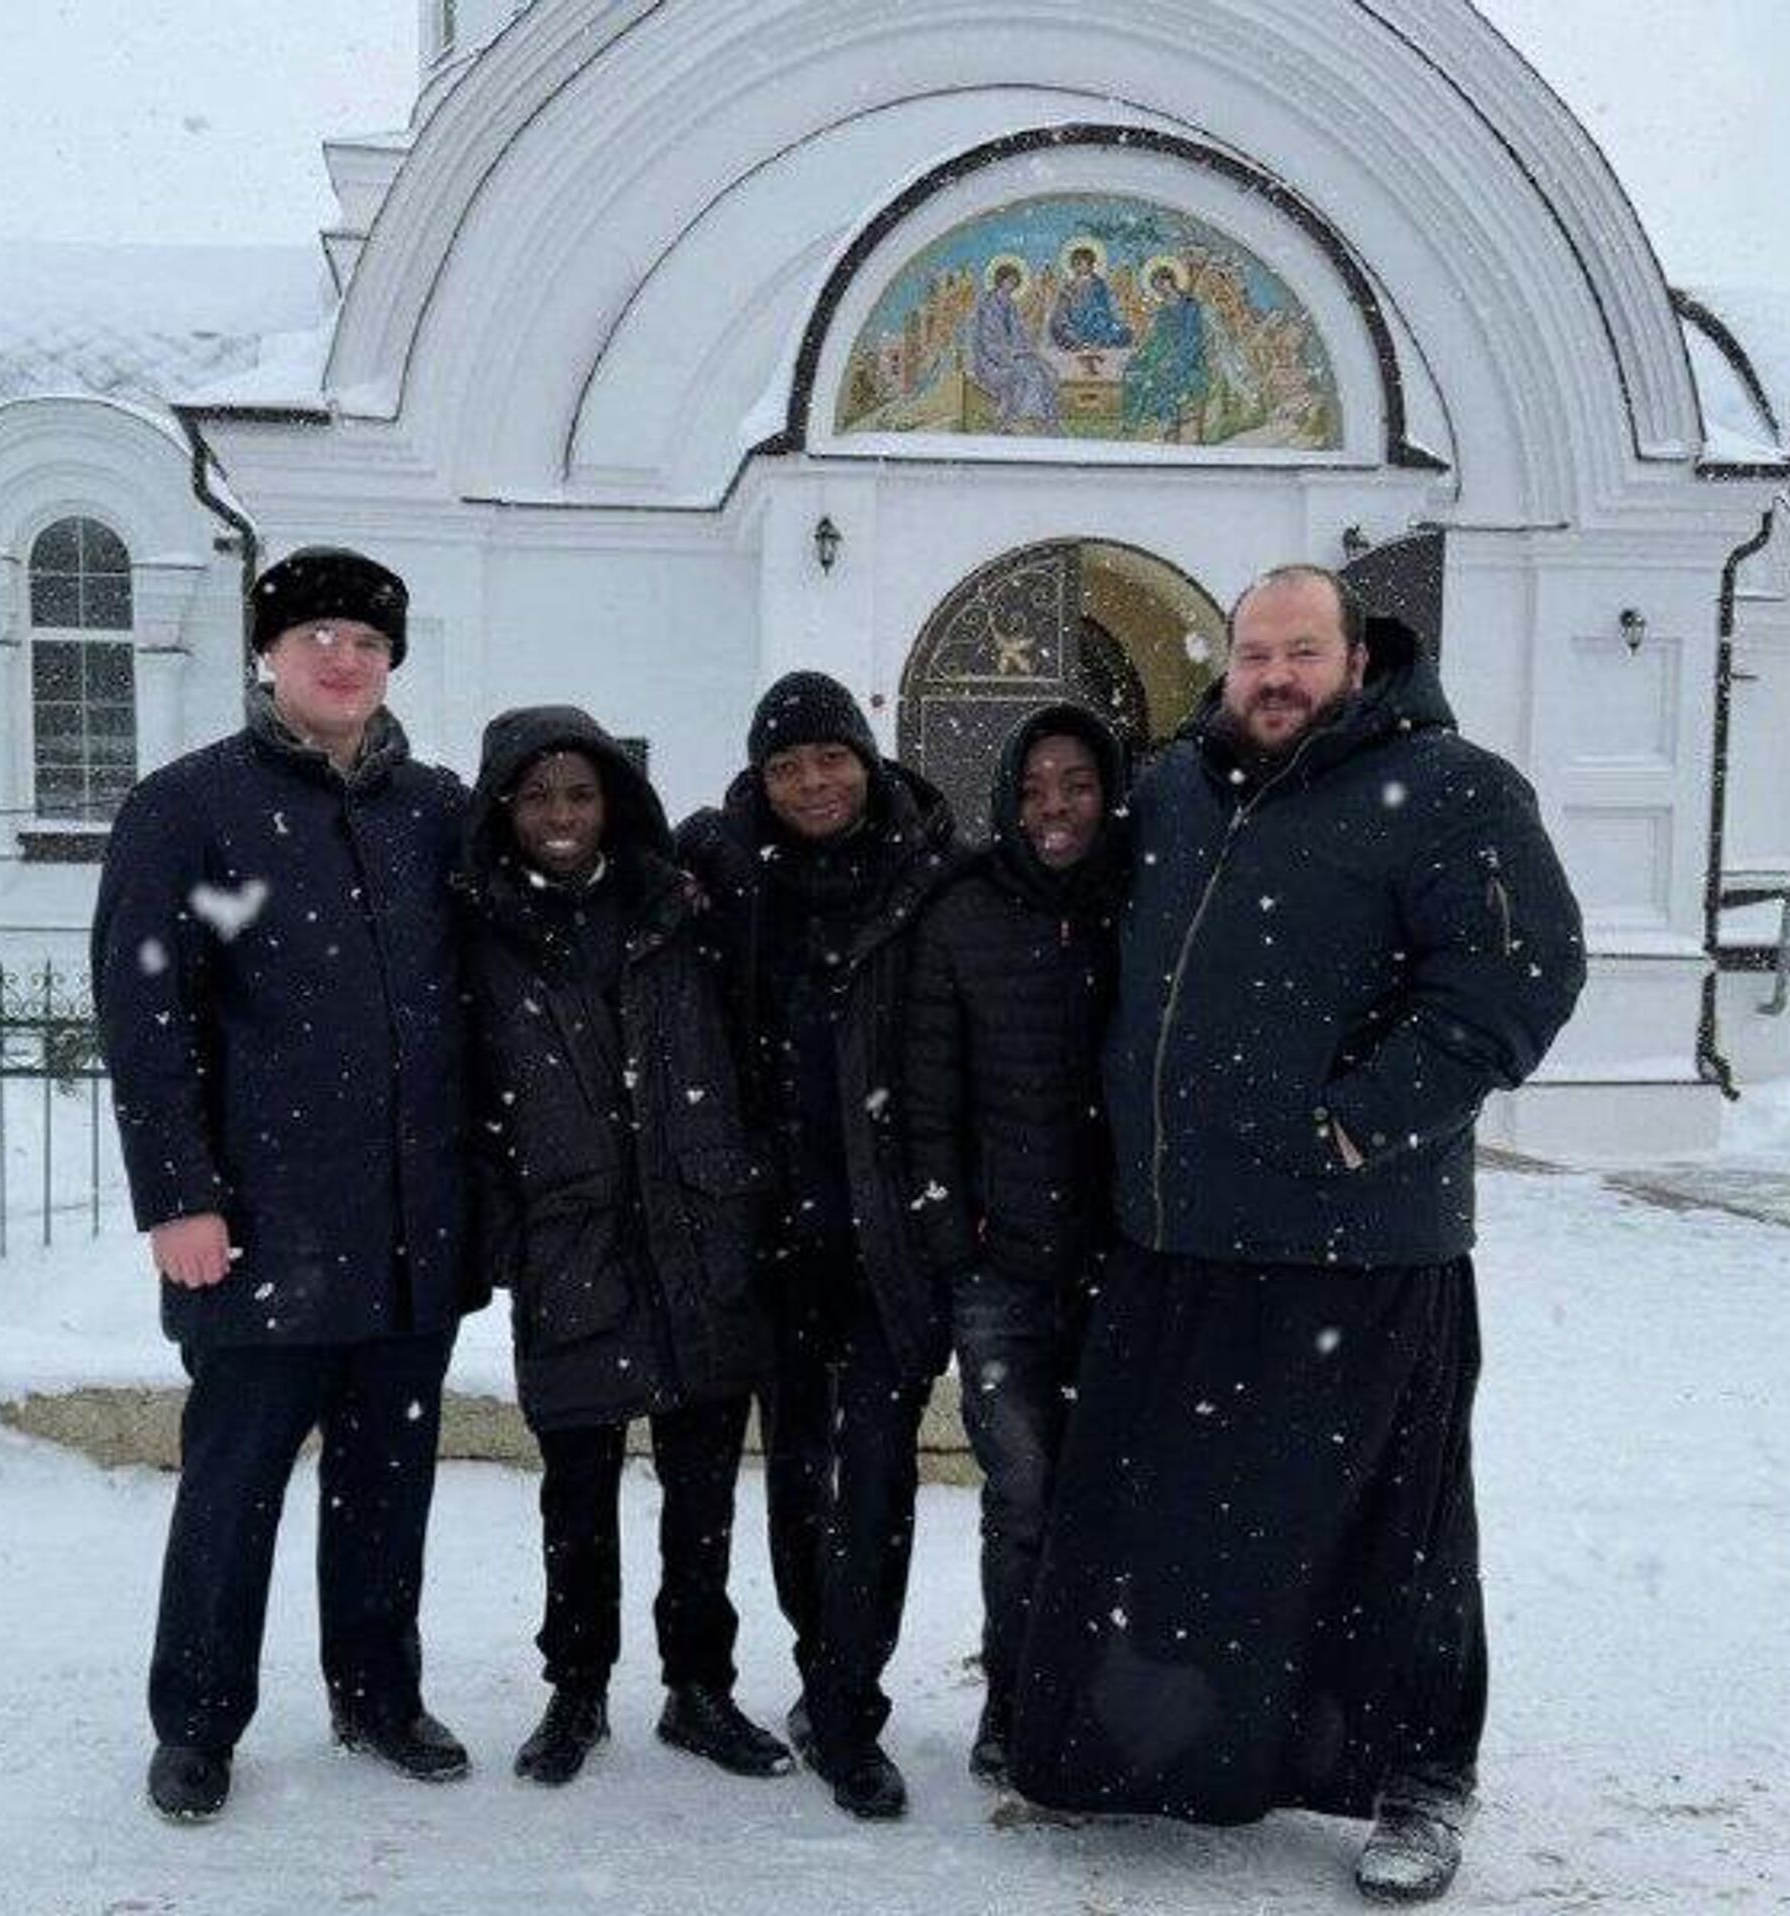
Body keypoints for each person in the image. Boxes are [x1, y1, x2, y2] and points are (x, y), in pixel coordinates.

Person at [1012, 566, 1585, 1904]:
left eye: (1302, 652)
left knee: (1391, 1537)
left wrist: (1358, 1125)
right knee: (1182, 1527)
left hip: (1359, 1247)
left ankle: (1421, 1778)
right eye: (1255, 653)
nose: (1275, 676)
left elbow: (1520, 977)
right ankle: (1168, 1756)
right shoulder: (1175, 789)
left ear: (1357, 659)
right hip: (1179, 1236)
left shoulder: (1452, 790)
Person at [92, 547, 479, 1822]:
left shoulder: (435, 810)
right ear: (267, 652)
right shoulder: (189, 807)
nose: (342, 659)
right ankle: (198, 1721)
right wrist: (177, 1194)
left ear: (392, 662)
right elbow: (146, 1011)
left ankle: (377, 1693)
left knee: (389, 1481)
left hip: (410, 1227)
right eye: (316, 635)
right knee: (233, 1486)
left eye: (367, 642)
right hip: (260, 1224)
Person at [456, 706, 790, 1789]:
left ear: (613, 803)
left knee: (703, 1492)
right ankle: (578, 1687)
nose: (561, 814)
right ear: (505, 809)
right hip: (573, 1245)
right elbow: (469, 1102)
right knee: (577, 1493)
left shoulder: (677, 906)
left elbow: (746, 1051)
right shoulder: (482, 933)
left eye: (580, 793)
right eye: (537, 795)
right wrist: (513, 1236)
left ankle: (700, 1687)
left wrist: (738, 1180)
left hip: (699, 1231)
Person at [678, 671, 955, 1821]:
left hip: (891, 1231)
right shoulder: (726, 871)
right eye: (788, 766)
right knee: (798, 1471)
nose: (813, 783)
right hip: (777, 1237)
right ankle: (821, 1672)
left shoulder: (932, 869)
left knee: (879, 1474)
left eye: (830, 757)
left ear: (867, 756)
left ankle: (850, 1707)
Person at [902, 702, 1128, 1785]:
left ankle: (1107, 1705)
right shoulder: (966, 913)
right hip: (1003, 1273)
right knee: (1024, 1495)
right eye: (1034, 787)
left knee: (1117, 1495)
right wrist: (958, 1238)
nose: (1054, 807)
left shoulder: (1146, 900)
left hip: (1127, 1266)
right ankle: (1016, 1697)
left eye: (1076, 783)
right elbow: (929, 1099)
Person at [1121, 260, 1209, 440]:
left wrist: (1175, 358)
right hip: (1160, 351)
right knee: (1133, 370)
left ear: (1171, 280)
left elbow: (1193, 337)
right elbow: (1156, 335)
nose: (1160, 288)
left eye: (1162, 282)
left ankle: (1166, 422)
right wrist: (1141, 351)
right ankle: (1135, 420)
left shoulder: (1190, 305)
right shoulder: (1162, 309)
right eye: (1156, 285)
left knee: (1159, 376)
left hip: (1186, 356)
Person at [970, 260, 1061, 433]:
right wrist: (1013, 353)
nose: (1012, 285)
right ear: (1000, 280)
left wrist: (1026, 350)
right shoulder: (988, 305)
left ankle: (1042, 420)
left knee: (1047, 371)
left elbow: (1019, 334)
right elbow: (988, 342)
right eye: (1009, 281)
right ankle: (1024, 419)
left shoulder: (1010, 304)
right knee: (1029, 375)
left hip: (1013, 356)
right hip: (991, 362)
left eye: (1015, 282)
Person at [1048, 243, 1133, 354]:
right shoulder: (1068, 288)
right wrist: (1064, 323)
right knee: (1057, 328)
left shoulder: (1100, 285)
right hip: (1075, 326)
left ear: (1092, 265)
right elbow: (1061, 311)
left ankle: (1095, 343)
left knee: (1124, 333)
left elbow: (1112, 306)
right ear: (1072, 266)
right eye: (1077, 264)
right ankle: (1078, 342)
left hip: (1099, 326)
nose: (1081, 267)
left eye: (1085, 263)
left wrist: (1118, 321)